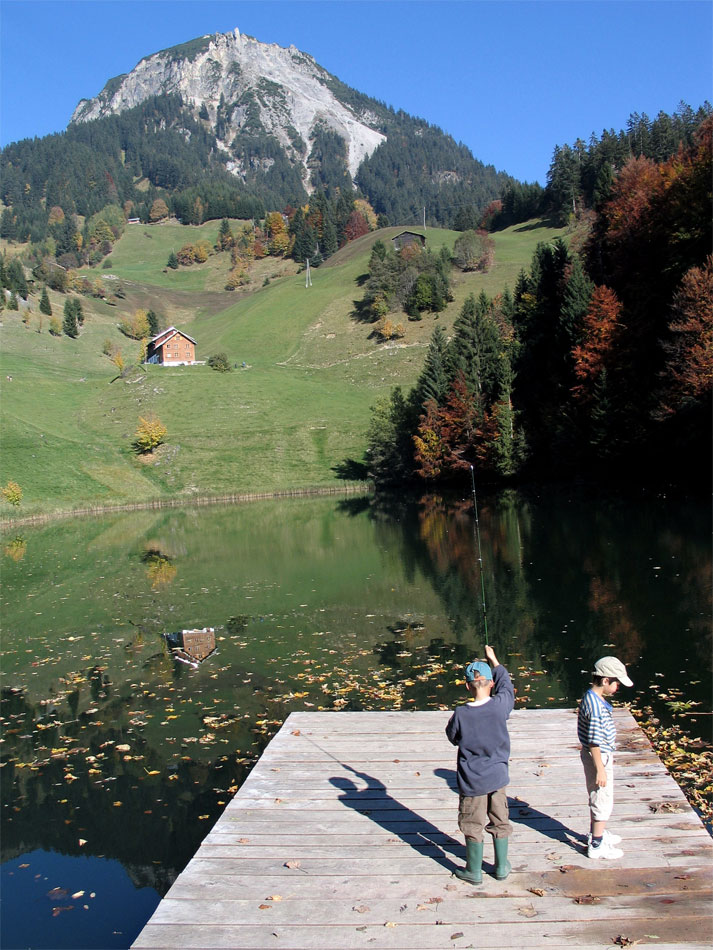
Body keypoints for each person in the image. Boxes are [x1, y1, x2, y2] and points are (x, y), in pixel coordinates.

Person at [445, 644, 515, 884]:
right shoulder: (501, 705)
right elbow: (507, 685)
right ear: (491, 683)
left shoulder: (461, 714)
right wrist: (494, 660)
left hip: (472, 781)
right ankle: (501, 867)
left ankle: (474, 871)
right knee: (500, 820)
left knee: (472, 823)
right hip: (498, 778)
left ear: (467, 686)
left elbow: (452, 737)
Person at [578, 656, 633, 860]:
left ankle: (597, 833)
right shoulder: (595, 706)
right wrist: (600, 768)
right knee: (601, 799)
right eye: (616, 682)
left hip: (601, 756)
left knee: (600, 796)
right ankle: (596, 844)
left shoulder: (594, 698)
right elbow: (593, 741)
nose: (618, 686)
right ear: (605, 681)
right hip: (598, 757)